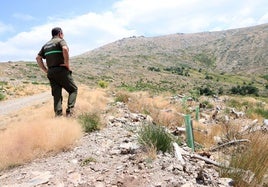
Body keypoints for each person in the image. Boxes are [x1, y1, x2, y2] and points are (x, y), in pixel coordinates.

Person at [36, 27, 78, 117]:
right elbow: (65, 49)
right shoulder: (60, 41)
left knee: (56, 94)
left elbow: (38, 58)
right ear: (60, 33)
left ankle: (58, 115)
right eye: (62, 34)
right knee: (73, 89)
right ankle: (70, 112)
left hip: (51, 72)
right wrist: (67, 64)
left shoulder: (45, 45)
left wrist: (46, 70)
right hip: (61, 70)